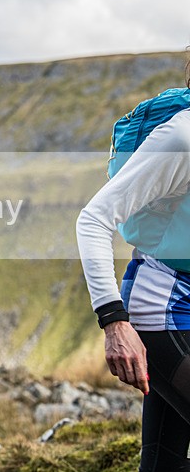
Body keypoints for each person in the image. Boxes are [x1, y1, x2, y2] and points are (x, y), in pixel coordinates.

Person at [76, 62, 190, 471]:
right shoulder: (182, 137)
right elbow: (93, 219)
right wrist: (114, 322)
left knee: (163, 464)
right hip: (162, 310)